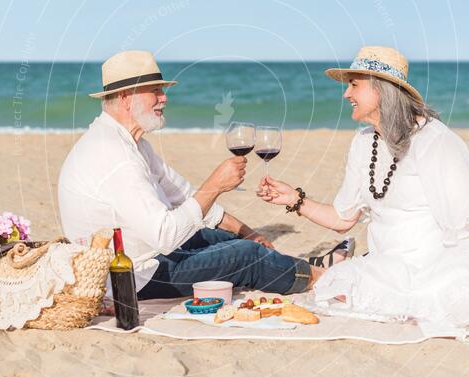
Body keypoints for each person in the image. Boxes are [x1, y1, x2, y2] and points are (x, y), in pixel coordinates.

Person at [257, 46, 469, 335]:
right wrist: (294, 200)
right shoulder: (362, 144)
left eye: (354, 85)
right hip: (389, 264)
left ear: (381, 90)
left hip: (438, 260)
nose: (346, 94)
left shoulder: (434, 140)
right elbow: (344, 219)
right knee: (335, 294)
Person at [58, 50, 337, 300]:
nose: (164, 98)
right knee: (247, 257)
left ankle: (300, 267)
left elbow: (183, 195)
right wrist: (214, 186)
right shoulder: (113, 155)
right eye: (155, 91)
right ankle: (325, 279)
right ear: (125, 98)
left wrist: (247, 232)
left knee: (233, 240)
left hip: (149, 252)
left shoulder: (132, 144)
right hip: (133, 275)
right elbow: (165, 236)